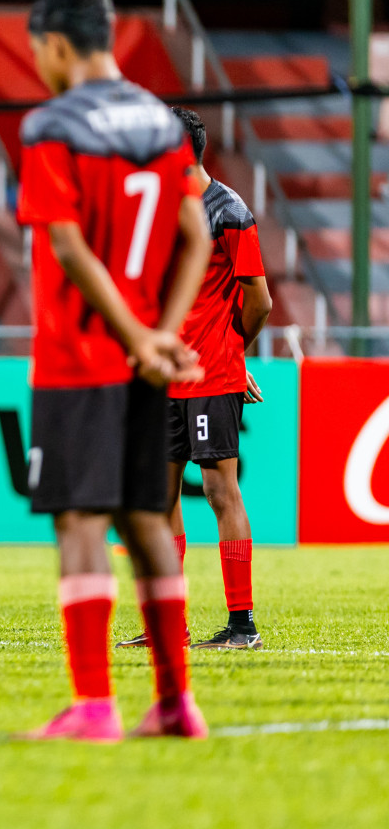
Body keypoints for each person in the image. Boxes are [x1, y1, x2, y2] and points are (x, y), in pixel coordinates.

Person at [15, 0, 214, 741]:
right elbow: (195, 234)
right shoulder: (161, 124)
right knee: (149, 518)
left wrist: (132, 337)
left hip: (79, 354)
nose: (39, 65)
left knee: (80, 518)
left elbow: (66, 246)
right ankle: (174, 701)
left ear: (58, 45)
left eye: (38, 51)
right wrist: (161, 337)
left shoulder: (52, 126)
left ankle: (94, 705)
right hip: (143, 358)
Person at [118, 107, 271, 651]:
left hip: (211, 374)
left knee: (218, 490)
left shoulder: (229, 213)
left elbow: (261, 300)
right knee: (158, 500)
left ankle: (242, 624)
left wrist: (232, 353)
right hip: (165, 378)